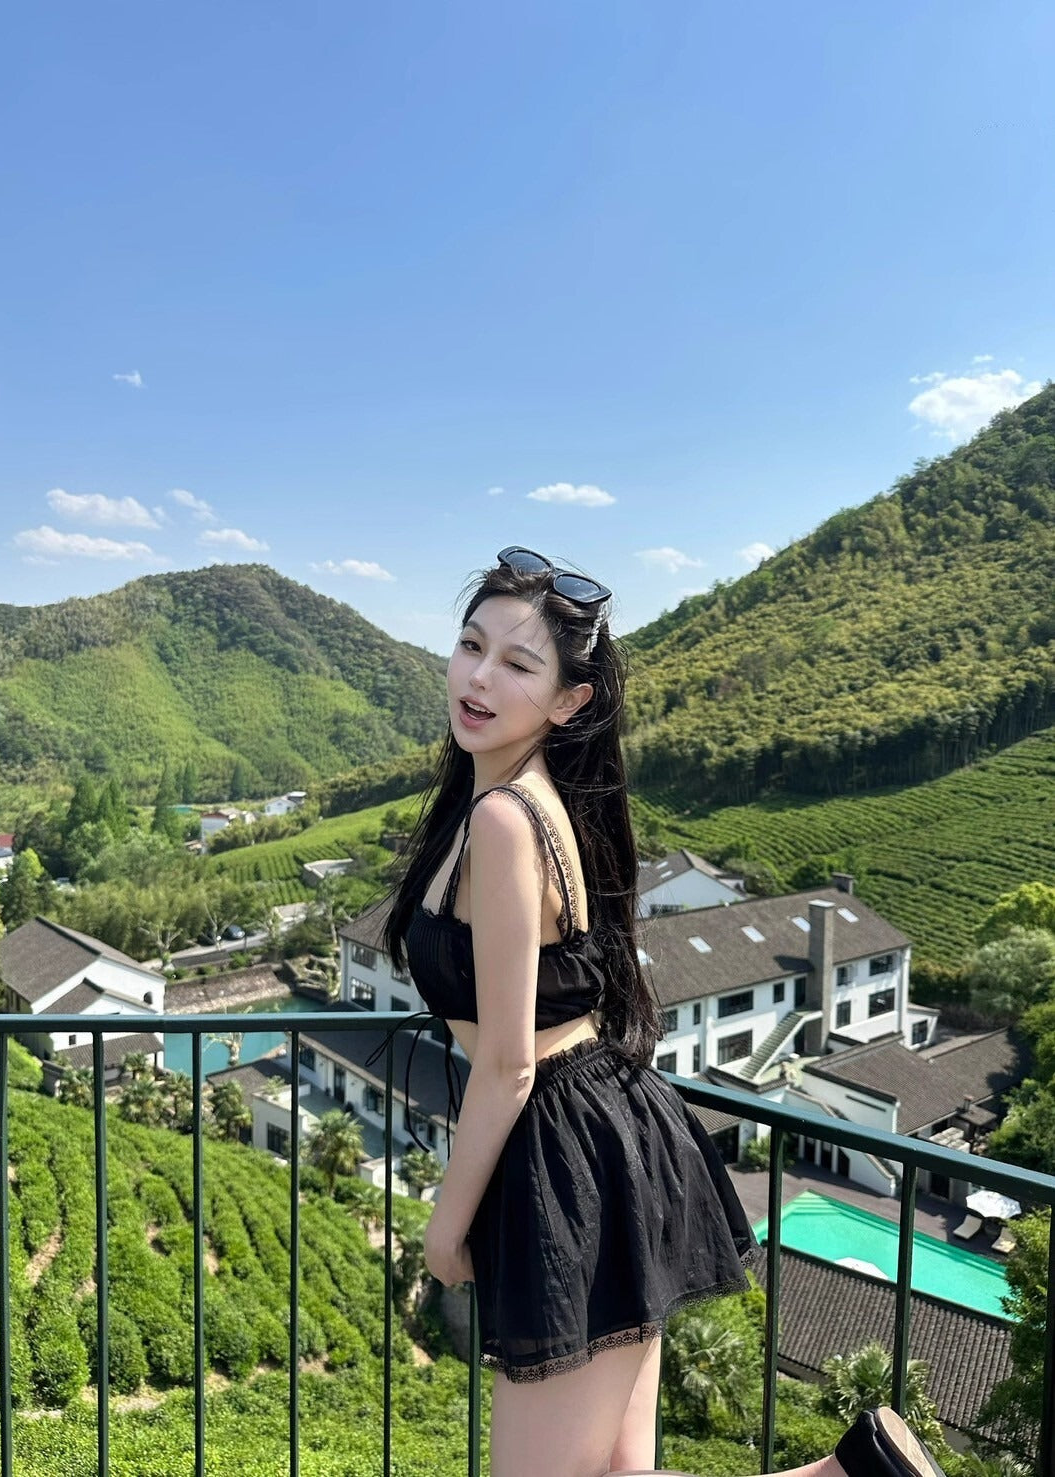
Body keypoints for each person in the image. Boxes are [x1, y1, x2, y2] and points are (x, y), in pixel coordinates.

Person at [384, 548, 947, 1477]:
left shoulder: (503, 820)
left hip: (560, 1142)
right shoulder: (526, 804)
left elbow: (509, 1061)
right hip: (608, 1128)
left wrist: (446, 1224)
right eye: (470, 645)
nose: (478, 678)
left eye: (517, 663)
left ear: (569, 700)